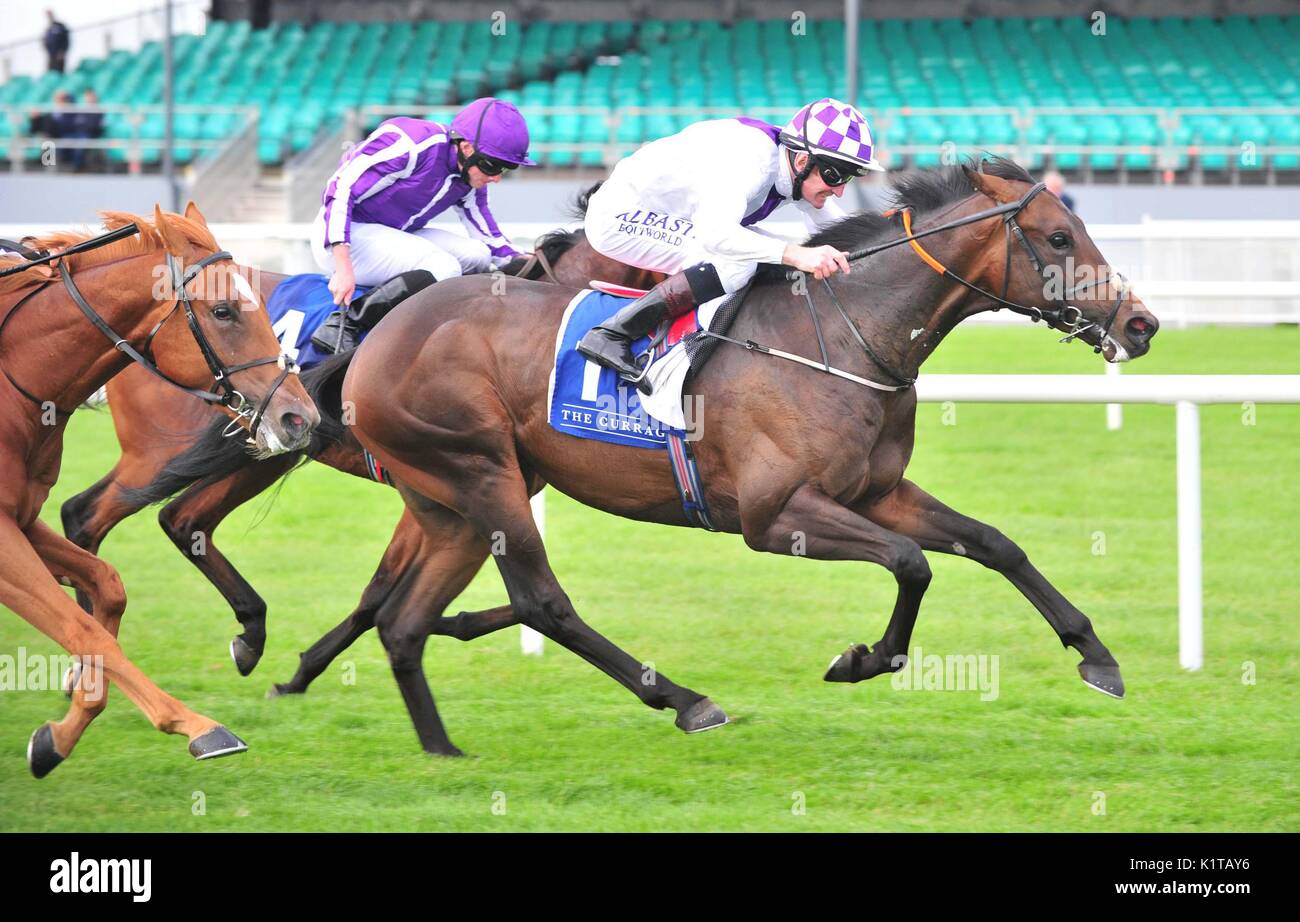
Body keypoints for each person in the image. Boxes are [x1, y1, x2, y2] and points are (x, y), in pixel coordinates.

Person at [577, 97, 884, 390]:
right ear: (803, 160)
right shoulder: (751, 160)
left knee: (774, 255)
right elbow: (716, 235)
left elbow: (839, 231)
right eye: (835, 176)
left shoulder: (795, 167)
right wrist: (796, 255)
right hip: (621, 216)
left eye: (849, 178)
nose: (840, 190)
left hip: (673, 217)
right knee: (738, 261)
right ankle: (612, 334)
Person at [309, 96, 535, 353]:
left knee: (478, 255)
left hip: (395, 234)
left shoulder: (470, 178)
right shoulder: (410, 143)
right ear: (466, 147)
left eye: (505, 169)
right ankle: (346, 322)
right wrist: (343, 267)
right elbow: (339, 190)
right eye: (492, 166)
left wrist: (529, 259)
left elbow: (490, 239)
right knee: (443, 265)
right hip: (346, 236)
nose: (495, 178)